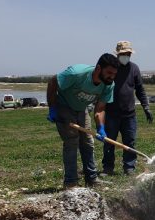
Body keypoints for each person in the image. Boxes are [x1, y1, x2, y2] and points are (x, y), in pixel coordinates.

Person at [46, 53, 119, 188]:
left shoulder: (109, 84)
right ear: (98, 68)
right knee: (71, 142)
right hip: (64, 105)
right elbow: (53, 82)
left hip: (81, 108)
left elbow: (100, 109)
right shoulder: (76, 74)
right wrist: (52, 107)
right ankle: (71, 182)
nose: (112, 77)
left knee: (88, 142)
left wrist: (101, 127)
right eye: (109, 73)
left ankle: (91, 179)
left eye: (114, 74)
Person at [101, 41, 153, 176]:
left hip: (129, 115)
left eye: (128, 54)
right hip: (111, 114)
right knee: (109, 142)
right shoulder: (112, 69)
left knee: (130, 141)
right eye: (123, 54)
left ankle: (129, 167)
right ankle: (108, 167)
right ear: (117, 54)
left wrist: (146, 107)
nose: (126, 56)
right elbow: (101, 87)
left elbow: (140, 89)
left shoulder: (134, 68)